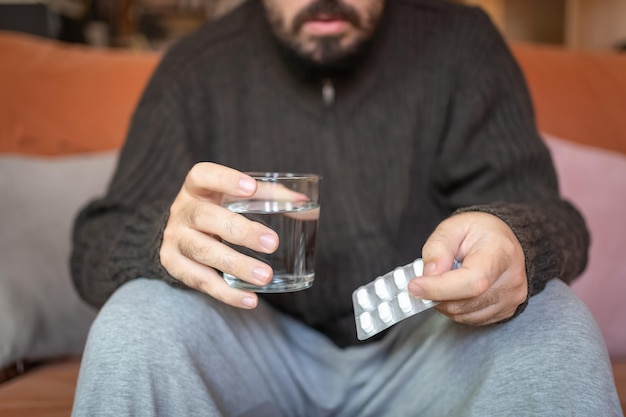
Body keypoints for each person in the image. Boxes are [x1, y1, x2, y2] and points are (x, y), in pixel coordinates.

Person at [70, 0, 623, 416]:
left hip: (427, 347)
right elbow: (96, 242)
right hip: (253, 345)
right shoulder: (195, 68)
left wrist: (514, 237)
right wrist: (164, 239)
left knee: (552, 318)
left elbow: (554, 218)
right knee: (136, 318)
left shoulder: (462, 43)